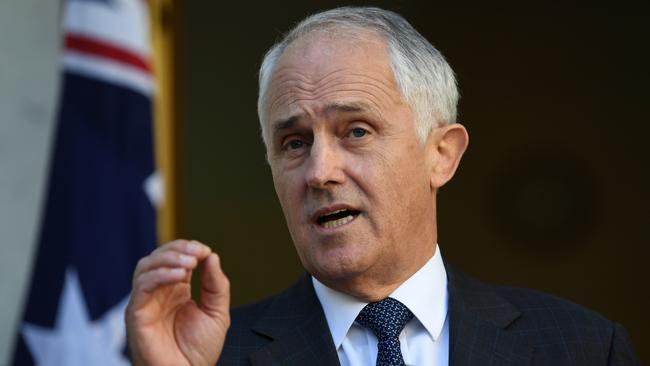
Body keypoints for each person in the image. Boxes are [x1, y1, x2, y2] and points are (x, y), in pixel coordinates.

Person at [125, 7, 640, 366]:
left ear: (442, 154)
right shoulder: (210, 356)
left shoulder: (582, 347)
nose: (321, 171)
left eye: (356, 131)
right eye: (294, 143)